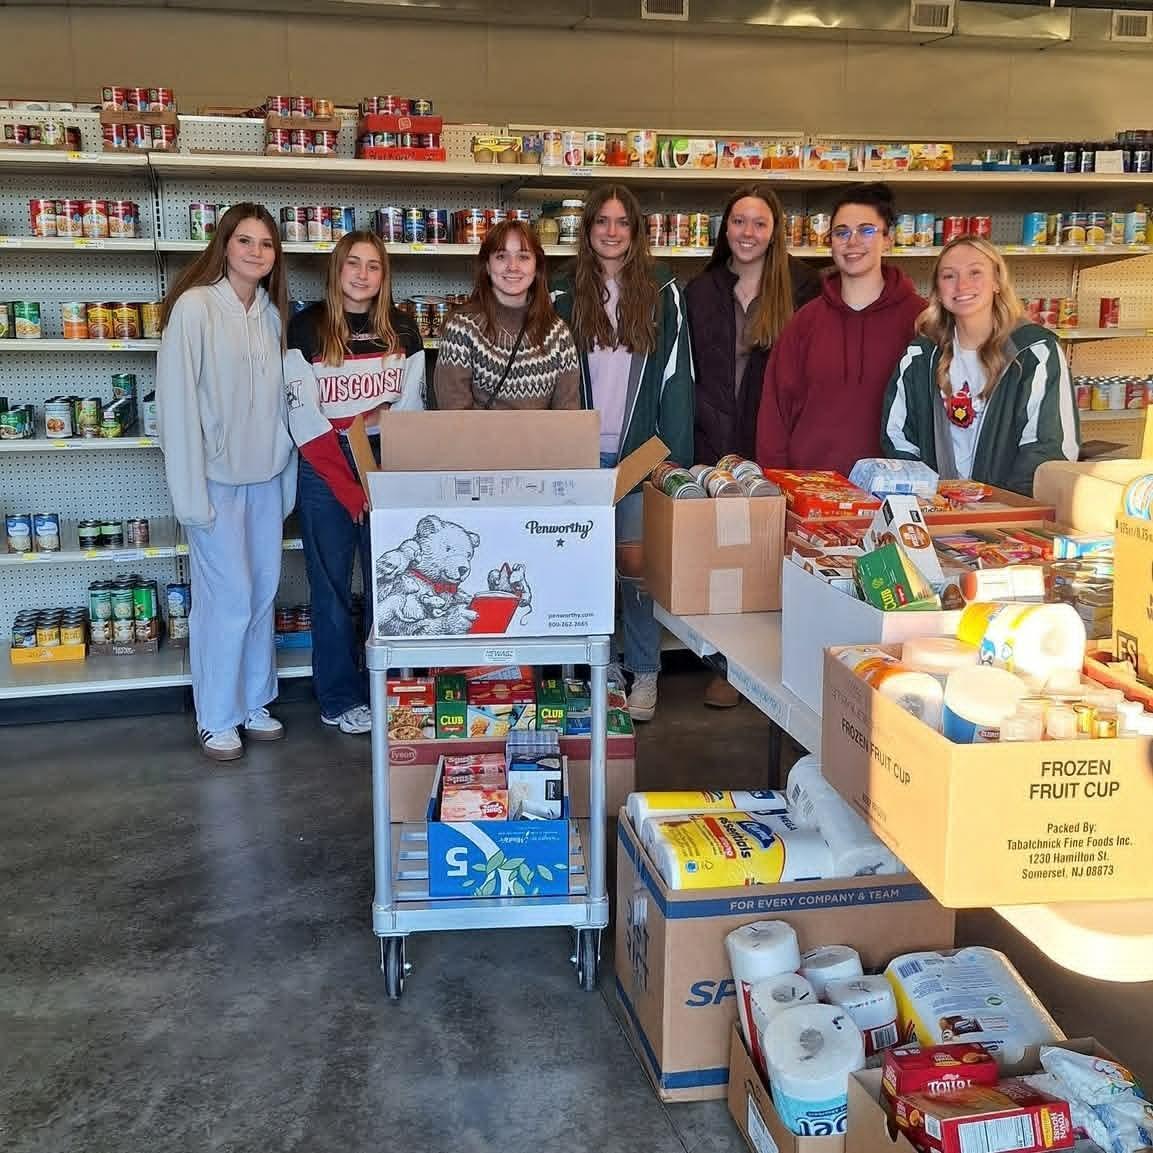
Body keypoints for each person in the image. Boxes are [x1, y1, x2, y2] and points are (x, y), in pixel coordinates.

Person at [157, 203, 296, 762]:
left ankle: (254, 701)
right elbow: (176, 405)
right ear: (225, 244)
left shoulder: (273, 316)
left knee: (261, 593)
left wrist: (285, 479)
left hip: (265, 481)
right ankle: (216, 716)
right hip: (213, 482)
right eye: (245, 240)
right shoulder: (195, 308)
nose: (256, 252)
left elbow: (286, 407)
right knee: (227, 599)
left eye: (266, 243)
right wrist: (190, 494)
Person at [551, 185, 694, 723]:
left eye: (622, 222)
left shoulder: (662, 291)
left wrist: (670, 455)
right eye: (601, 221)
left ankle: (645, 669)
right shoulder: (563, 291)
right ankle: (602, 667)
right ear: (587, 229)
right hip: (581, 455)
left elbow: (678, 375)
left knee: (637, 569)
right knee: (587, 569)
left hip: (641, 453)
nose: (611, 232)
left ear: (636, 231)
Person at [284, 231, 425, 734]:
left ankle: (391, 691)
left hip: (388, 461)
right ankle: (340, 697)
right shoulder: (306, 328)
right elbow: (304, 417)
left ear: (384, 276)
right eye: (353, 264)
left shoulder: (402, 329)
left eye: (373, 266)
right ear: (337, 269)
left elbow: (409, 410)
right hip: (325, 466)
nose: (363, 275)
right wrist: (347, 482)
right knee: (331, 588)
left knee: (394, 584)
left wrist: (371, 436)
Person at [687, 184, 820, 709]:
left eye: (759, 223)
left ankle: (771, 663)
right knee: (723, 553)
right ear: (725, 229)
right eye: (739, 221)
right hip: (712, 435)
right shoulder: (701, 290)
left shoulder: (803, 288)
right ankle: (724, 663)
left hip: (774, 436)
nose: (748, 233)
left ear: (775, 231)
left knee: (770, 552)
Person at [881, 235, 1079, 496]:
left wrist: (999, 506)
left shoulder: (1035, 352)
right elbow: (898, 436)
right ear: (938, 290)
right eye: (949, 276)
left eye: (975, 272)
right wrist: (925, 496)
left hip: (1007, 512)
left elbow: (1048, 447)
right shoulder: (920, 355)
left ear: (997, 281)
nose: (962, 285)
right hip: (935, 510)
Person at [756, 183, 926, 477]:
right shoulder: (805, 322)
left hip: (894, 490)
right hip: (812, 488)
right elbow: (775, 412)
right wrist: (778, 481)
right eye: (841, 232)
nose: (852, 241)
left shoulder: (920, 320)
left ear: (888, 239)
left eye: (866, 230)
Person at [434, 219, 580, 411]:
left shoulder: (558, 334)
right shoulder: (461, 329)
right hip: (472, 433)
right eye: (501, 256)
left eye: (523, 257)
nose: (513, 266)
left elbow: (568, 416)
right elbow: (454, 414)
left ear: (536, 266)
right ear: (487, 266)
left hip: (543, 434)